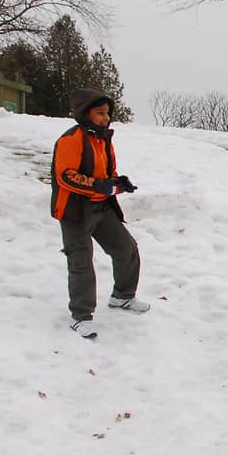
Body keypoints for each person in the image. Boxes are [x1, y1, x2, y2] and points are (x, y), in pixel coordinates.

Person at [50, 88, 149, 339]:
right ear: (86, 113)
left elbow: (104, 174)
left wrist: (117, 182)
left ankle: (122, 297)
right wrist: (97, 185)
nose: (106, 118)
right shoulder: (71, 139)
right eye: (100, 113)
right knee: (81, 262)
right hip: (75, 211)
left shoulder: (103, 139)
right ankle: (81, 316)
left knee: (126, 249)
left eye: (107, 113)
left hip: (101, 207)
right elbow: (66, 176)